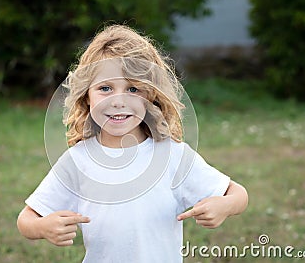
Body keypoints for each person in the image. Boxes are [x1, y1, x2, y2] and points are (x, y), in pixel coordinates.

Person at [17, 24, 248, 262]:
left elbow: (238, 194)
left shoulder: (171, 155)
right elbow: (26, 219)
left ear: (151, 95)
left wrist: (225, 205)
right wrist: (43, 227)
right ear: (87, 95)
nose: (118, 101)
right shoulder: (78, 161)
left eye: (133, 88)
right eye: (105, 88)